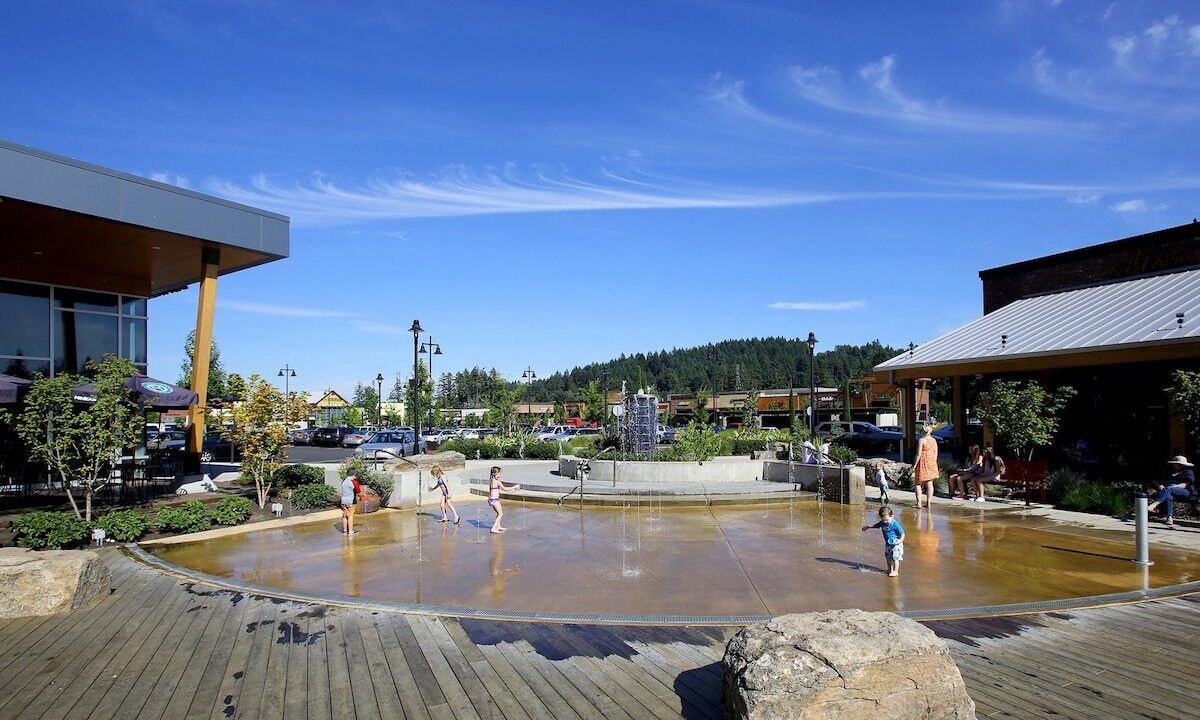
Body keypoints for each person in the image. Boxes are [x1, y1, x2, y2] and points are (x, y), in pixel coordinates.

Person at [1147, 456, 1195, 528]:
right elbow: (1162, 481)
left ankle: (1154, 505)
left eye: (1176, 464)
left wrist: (1171, 487)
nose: (1174, 465)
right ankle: (1169, 517)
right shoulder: (1171, 472)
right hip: (1170, 491)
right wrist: (1161, 485)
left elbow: (1185, 484)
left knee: (1169, 490)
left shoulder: (1188, 472)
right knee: (1168, 496)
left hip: (1185, 491)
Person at [862, 506, 905, 577]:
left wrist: (900, 541)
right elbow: (876, 525)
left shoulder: (894, 524)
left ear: (892, 516)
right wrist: (867, 527)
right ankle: (889, 569)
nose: (885, 522)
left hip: (896, 544)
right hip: (888, 543)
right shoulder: (882, 522)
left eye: (887, 520)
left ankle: (895, 571)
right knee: (888, 557)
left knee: (895, 558)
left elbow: (902, 533)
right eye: (883, 520)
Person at [487, 466, 521, 534]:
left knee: (498, 513)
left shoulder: (491, 480)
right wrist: (515, 487)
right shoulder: (497, 482)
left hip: (491, 499)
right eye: (499, 473)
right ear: (496, 473)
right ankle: (493, 528)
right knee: (500, 514)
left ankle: (498, 526)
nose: (500, 475)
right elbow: (505, 489)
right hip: (495, 500)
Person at [913, 425, 939, 508]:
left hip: (923, 461)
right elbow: (936, 452)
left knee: (918, 483)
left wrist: (915, 465)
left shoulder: (922, 440)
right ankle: (928, 503)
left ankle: (919, 503)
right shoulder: (934, 440)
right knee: (929, 483)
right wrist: (934, 461)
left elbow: (918, 454)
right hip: (931, 461)